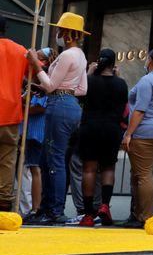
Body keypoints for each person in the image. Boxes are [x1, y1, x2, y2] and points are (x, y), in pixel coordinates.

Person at [25, 12, 88, 224]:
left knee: (54, 158)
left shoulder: (68, 55)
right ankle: (47, 208)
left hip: (59, 107)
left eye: (60, 30)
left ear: (68, 33)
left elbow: (52, 84)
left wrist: (36, 64)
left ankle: (54, 210)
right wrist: (49, 90)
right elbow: (81, 89)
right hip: (69, 106)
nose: (58, 33)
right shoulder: (81, 56)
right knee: (49, 158)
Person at [76, 48, 128, 227]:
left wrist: (88, 73)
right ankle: (105, 205)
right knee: (108, 168)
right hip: (111, 129)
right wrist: (118, 77)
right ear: (114, 64)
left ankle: (88, 214)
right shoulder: (121, 84)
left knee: (89, 169)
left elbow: (79, 96)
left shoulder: (89, 80)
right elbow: (123, 108)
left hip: (90, 127)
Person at [122, 48, 153, 227]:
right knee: (140, 173)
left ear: (149, 60)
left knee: (143, 174)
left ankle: (145, 217)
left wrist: (128, 133)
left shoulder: (146, 81)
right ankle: (138, 214)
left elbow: (140, 109)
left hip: (144, 131)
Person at [19, 49, 52, 219]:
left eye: (38, 57)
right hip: (29, 130)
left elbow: (39, 106)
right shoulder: (34, 80)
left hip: (35, 131)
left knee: (34, 169)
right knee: (31, 168)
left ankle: (35, 208)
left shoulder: (43, 80)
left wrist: (22, 109)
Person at [0, 14, 28, 212]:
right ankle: (3, 200)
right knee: (8, 159)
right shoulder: (20, 50)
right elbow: (33, 73)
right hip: (11, 112)